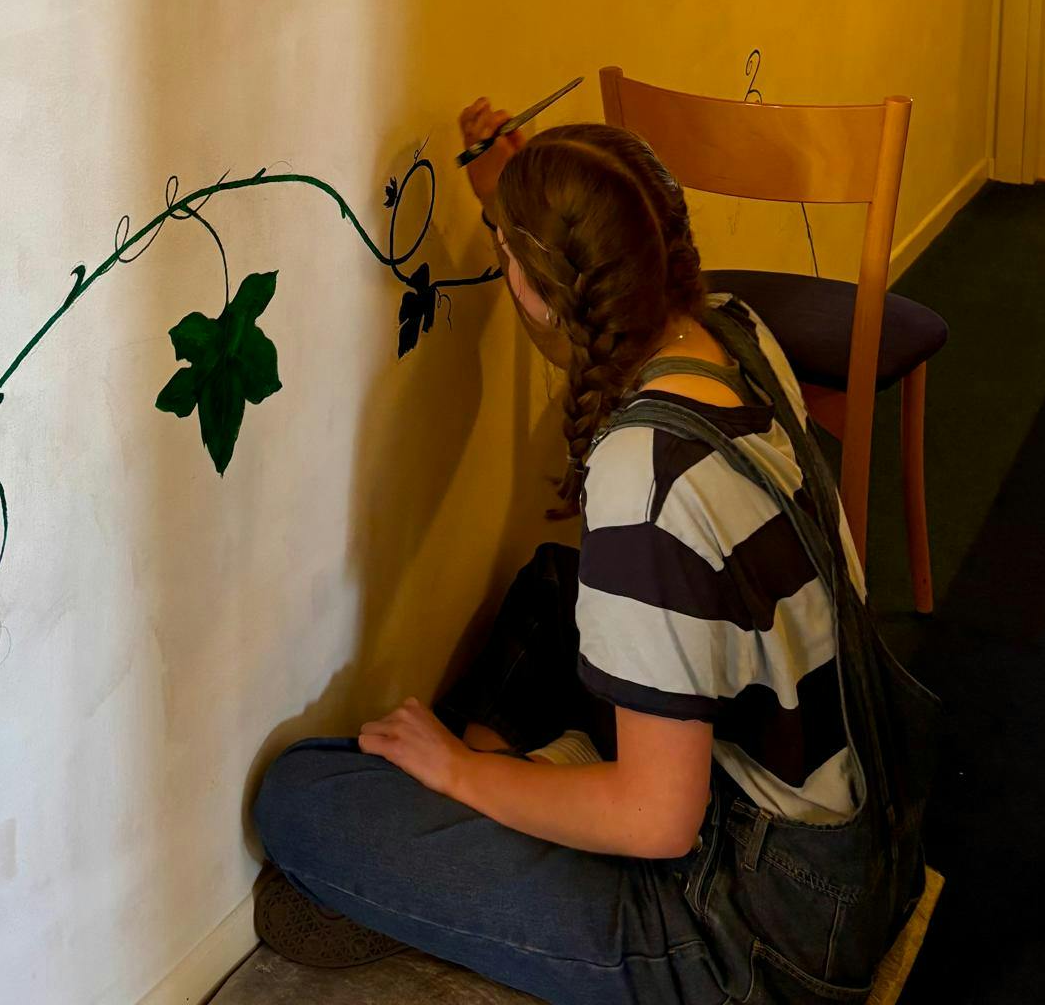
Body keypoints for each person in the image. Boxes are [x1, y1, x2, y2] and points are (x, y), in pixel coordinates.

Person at [250, 101, 931, 1004]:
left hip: (761, 930)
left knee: (300, 798)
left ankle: (486, 802)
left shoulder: (645, 478)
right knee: (552, 587)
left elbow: (657, 821)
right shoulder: (734, 325)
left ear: (545, 287)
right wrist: (515, 204)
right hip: (855, 831)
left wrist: (462, 773)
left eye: (508, 259)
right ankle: (513, 791)